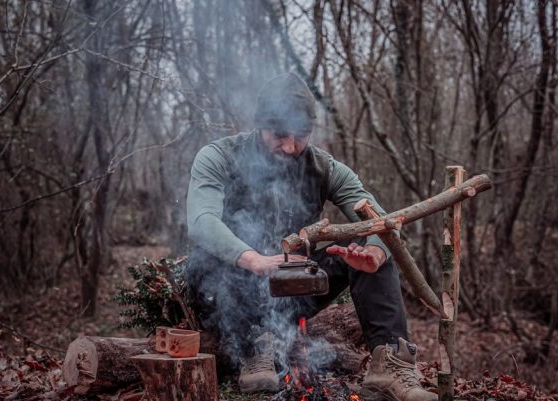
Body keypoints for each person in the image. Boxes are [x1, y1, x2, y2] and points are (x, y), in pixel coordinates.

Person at [185, 72, 439, 401]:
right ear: (260, 125)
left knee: (369, 244)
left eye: (301, 135)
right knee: (209, 253)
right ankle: (253, 346)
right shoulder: (219, 157)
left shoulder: (324, 167)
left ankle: (388, 364)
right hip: (227, 293)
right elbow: (201, 221)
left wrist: (374, 253)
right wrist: (253, 259)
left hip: (293, 289)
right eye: (279, 135)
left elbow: (382, 221)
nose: (290, 146)